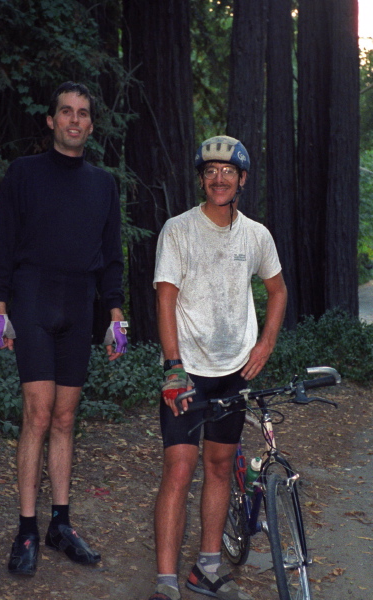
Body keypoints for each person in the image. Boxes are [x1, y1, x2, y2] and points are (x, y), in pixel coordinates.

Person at [0, 81, 128, 577]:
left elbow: (112, 257)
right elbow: (2, 243)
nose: (74, 120)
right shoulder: (23, 174)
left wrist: (116, 318)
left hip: (79, 304)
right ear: (50, 121)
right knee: (38, 415)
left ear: (90, 123)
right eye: (65, 112)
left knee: (66, 419)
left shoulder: (103, 183)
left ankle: (60, 525)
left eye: (83, 113)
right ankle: (26, 527)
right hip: (31, 298)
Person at [148, 136, 288, 600]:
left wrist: (265, 343)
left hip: (234, 371)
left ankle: (207, 568)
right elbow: (165, 298)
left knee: (221, 465)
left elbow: (278, 290)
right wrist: (173, 367)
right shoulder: (178, 230)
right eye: (210, 171)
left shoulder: (256, 235)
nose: (219, 178)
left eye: (228, 171)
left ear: (242, 179)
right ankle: (167, 582)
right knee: (179, 468)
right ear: (202, 178)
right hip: (187, 371)